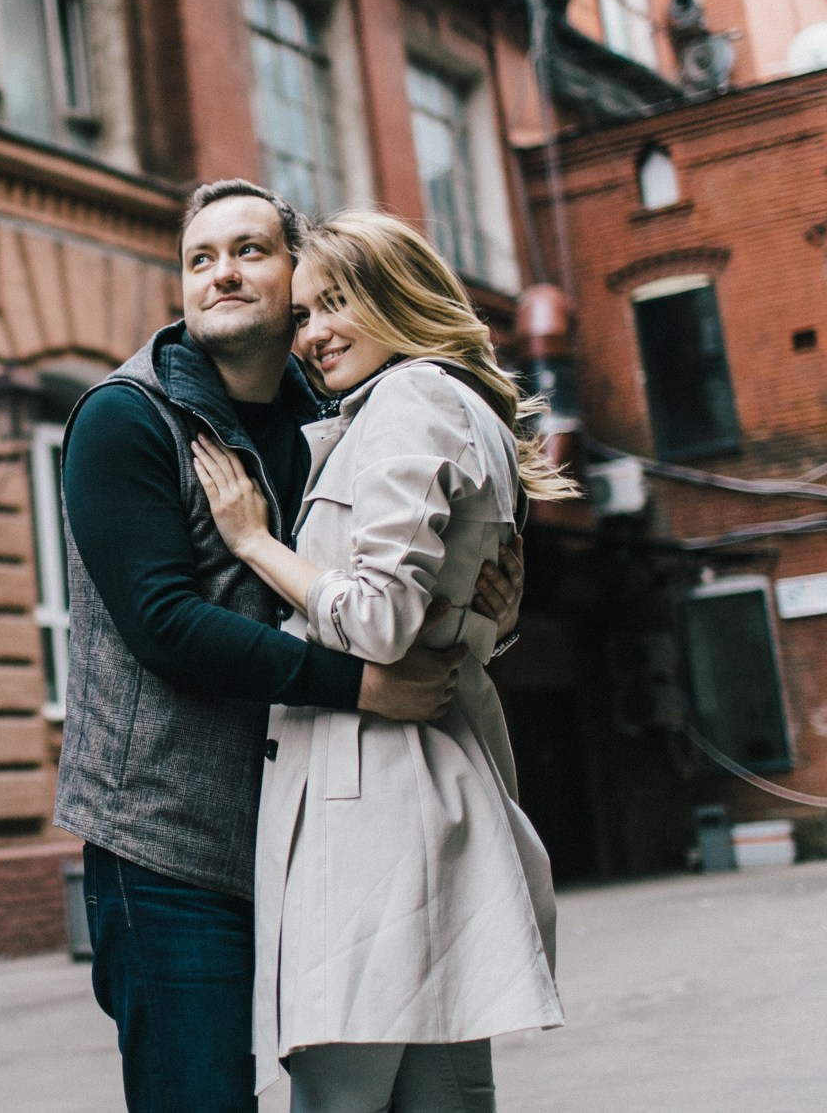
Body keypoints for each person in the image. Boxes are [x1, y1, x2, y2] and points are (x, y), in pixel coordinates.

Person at [53, 181, 524, 1113]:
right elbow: (165, 625)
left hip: (308, 827)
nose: (222, 272)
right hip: (169, 840)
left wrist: (485, 614)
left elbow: (378, 586)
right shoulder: (126, 417)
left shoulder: (337, 407)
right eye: (199, 257)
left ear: (296, 274)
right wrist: (363, 687)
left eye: (250, 251)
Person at [189, 208, 575, 1113]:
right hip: (422, 787)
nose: (313, 334)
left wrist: (253, 542)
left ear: (398, 298)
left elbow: (380, 619)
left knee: (340, 1096)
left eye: (337, 305)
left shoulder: (410, 401)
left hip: (369, 810)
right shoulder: (440, 406)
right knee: (445, 1094)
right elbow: (457, 613)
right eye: (305, 316)